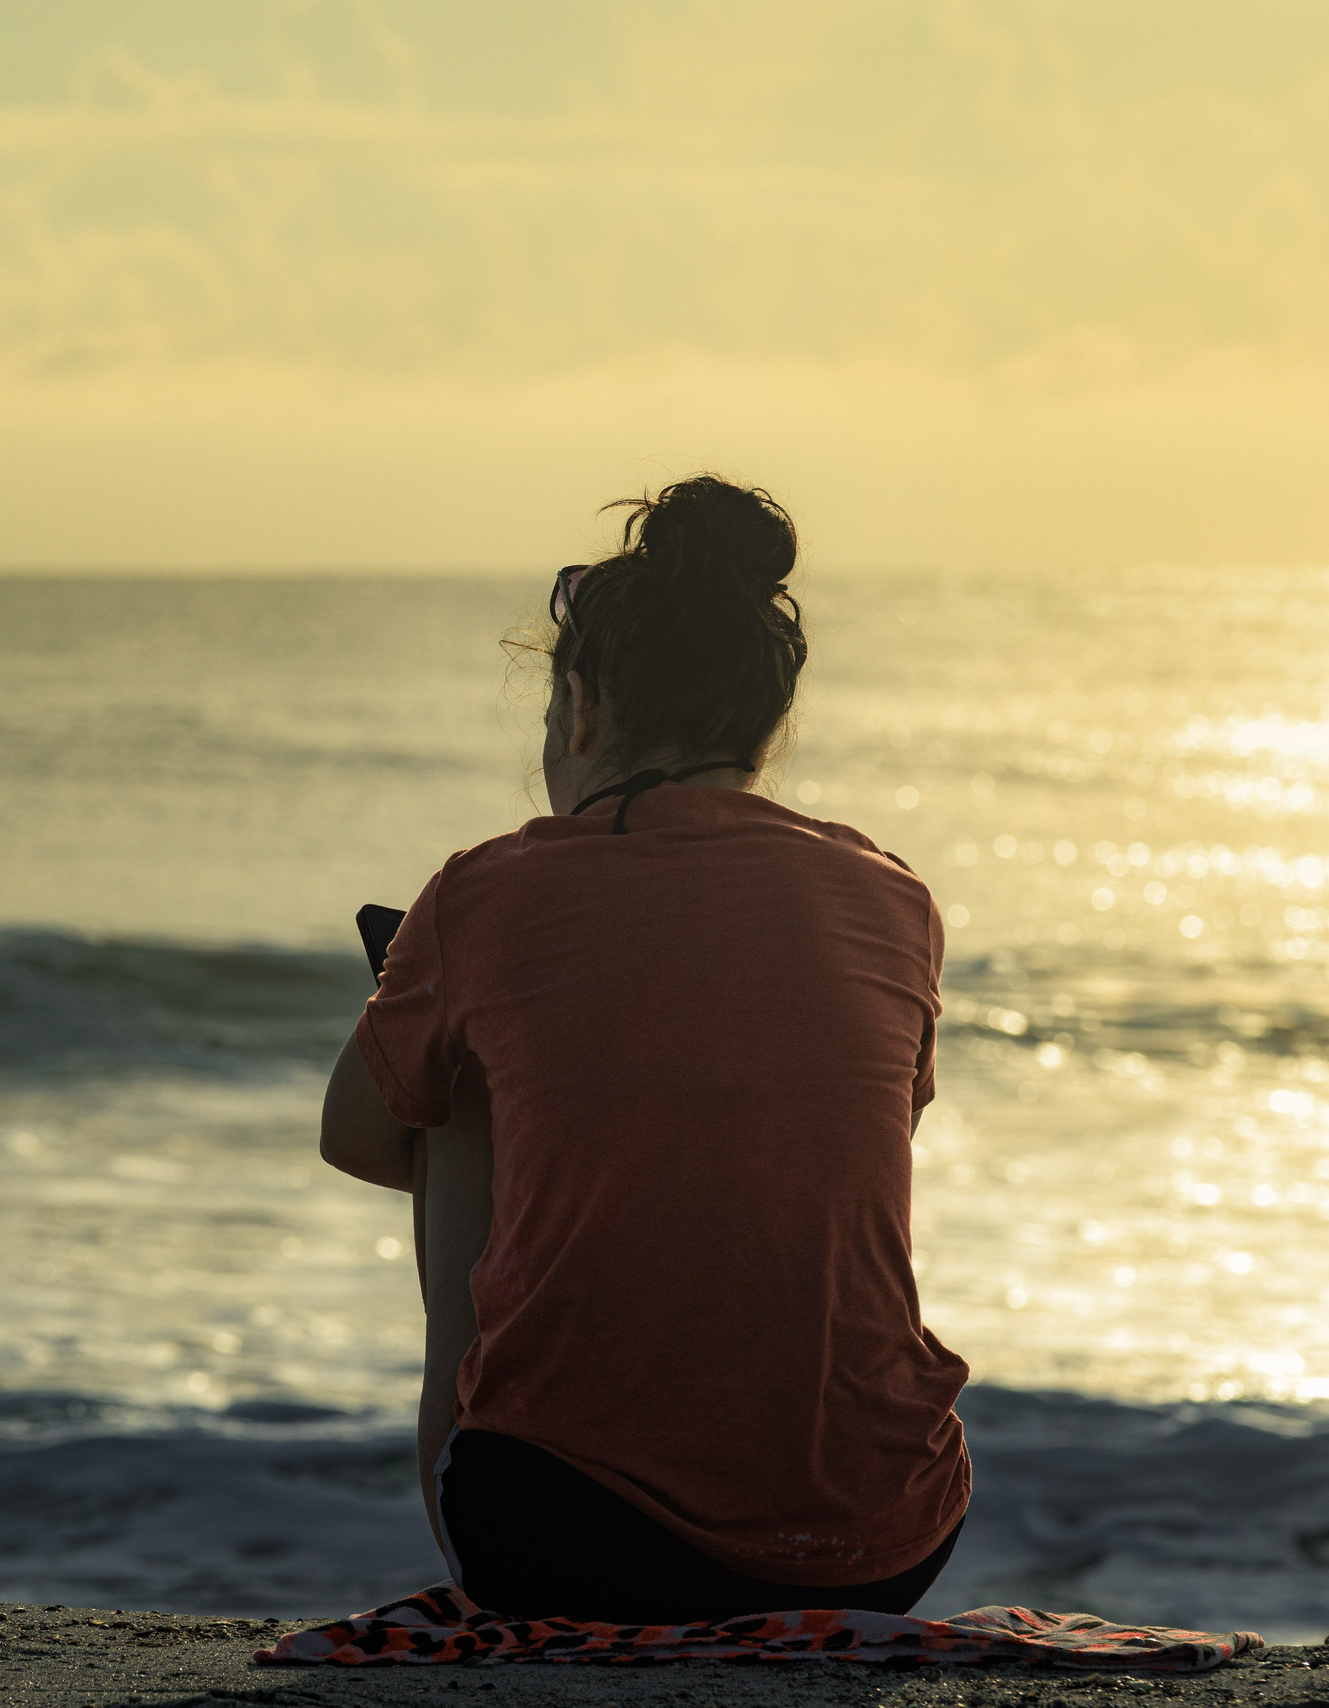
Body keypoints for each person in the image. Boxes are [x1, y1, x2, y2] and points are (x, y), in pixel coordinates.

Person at [317, 474, 969, 1625]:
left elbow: (357, 1138)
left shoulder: (485, 892)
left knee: (448, 1101)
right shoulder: (891, 896)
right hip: (884, 1533)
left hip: (566, 1541)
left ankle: (474, 1528)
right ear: (767, 725)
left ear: (581, 709)